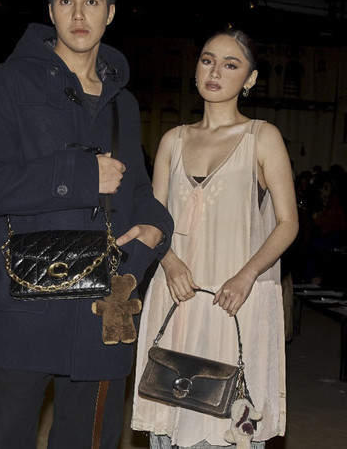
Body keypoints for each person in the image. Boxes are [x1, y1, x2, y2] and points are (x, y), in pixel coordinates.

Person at [0, 0, 174, 449]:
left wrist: (155, 229)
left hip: (104, 306)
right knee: (6, 437)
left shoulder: (124, 103)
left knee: (90, 439)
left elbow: (137, 190)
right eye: (66, 1)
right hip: (25, 302)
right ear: (51, 10)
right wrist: (80, 174)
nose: (79, 14)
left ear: (110, 12)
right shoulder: (11, 82)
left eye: (92, 1)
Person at [131, 28, 298, 448]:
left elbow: (288, 223)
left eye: (230, 64)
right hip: (177, 293)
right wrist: (169, 261)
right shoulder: (173, 140)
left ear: (250, 79)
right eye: (207, 60)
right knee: (170, 405)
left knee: (225, 414)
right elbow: (154, 221)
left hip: (233, 298)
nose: (216, 72)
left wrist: (246, 276)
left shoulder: (262, 137)